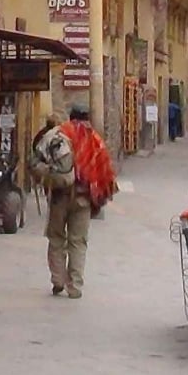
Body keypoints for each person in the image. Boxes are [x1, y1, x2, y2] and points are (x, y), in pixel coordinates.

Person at [45, 104, 118, 299]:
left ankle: (58, 280)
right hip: (84, 198)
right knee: (78, 242)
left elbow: (43, 158)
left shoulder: (60, 134)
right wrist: (100, 196)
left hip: (60, 194)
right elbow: (105, 169)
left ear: (71, 116)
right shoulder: (95, 140)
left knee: (56, 237)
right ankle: (75, 286)